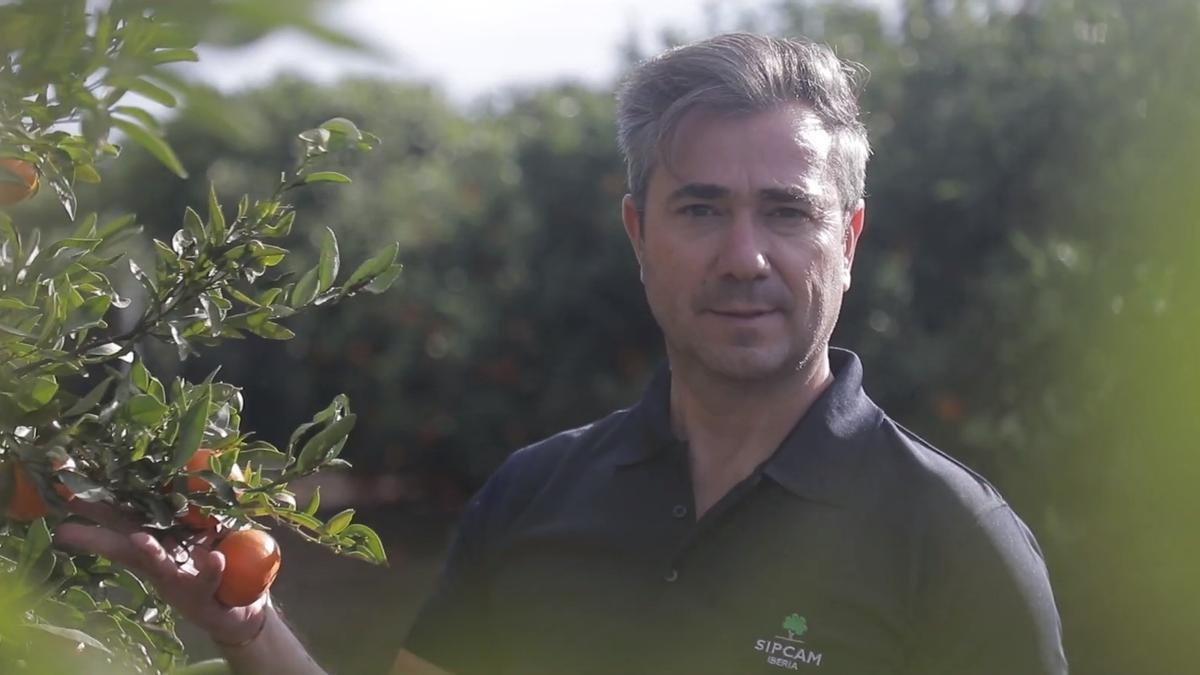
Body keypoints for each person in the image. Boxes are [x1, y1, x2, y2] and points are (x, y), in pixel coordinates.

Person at [55, 33, 1068, 675]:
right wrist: (245, 628)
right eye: (701, 208)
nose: (744, 256)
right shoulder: (535, 496)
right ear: (638, 234)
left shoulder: (956, 546)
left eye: (788, 213)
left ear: (846, 242)